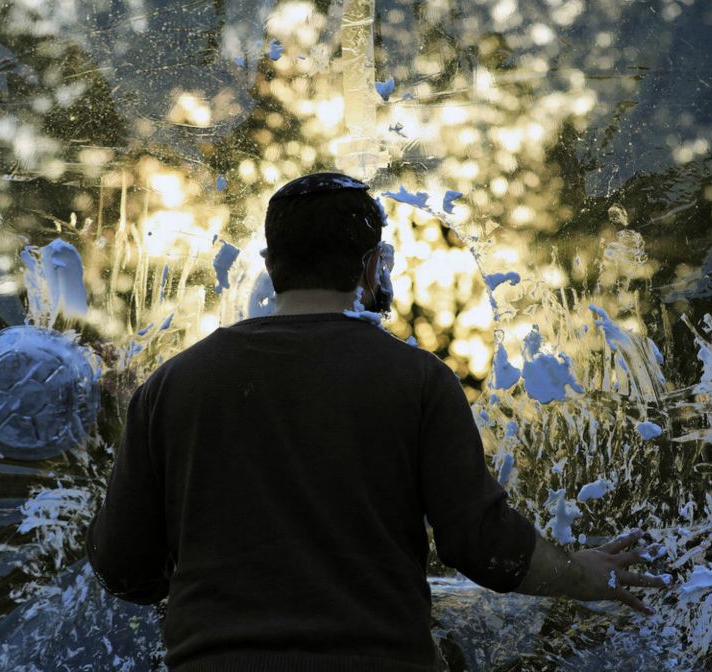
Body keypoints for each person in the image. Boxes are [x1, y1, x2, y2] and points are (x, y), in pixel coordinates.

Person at [86, 172, 667, 671]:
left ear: (271, 266)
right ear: (370, 268)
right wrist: (584, 574)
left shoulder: (174, 385)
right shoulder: (416, 381)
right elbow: (483, 546)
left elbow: (122, 566)